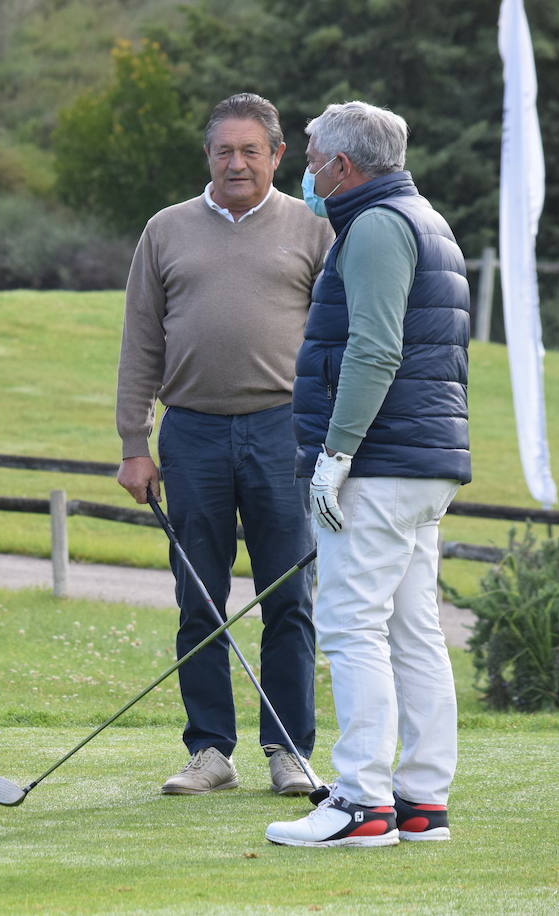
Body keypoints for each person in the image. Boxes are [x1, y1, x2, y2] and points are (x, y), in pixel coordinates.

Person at [115, 93, 334, 797]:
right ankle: (210, 750)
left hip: (285, 433)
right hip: (192, 432)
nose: (236, 163)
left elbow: (337, 340)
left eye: (250, 150)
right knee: (199, 599)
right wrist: (133, 442)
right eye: (223, 151)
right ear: (207, 156)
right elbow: (141, 341)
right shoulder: (166, 229)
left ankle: (289, 750)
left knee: (289, 598)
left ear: (277, 155)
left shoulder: (313, 229)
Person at [266, 101, 469, 847]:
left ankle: (362, 803)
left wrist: (337, 453)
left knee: (352, 625)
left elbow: (376, 350)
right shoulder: (421, 218)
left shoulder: (379, 225)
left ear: (345, 166)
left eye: (313, 159)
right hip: (418, 462)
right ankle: (421, 801)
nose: (307, 173)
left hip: (381, 462)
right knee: (412, 628)